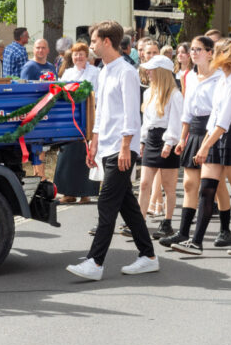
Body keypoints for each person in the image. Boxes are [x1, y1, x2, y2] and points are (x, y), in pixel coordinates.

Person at [66, 21, 159, 281]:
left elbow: (131, 114)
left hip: (121, 147)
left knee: (106, 203)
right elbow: (102, 111)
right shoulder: (103, 71)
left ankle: (95, 262)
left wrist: (126, 147)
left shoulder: (126, 72)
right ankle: (148, 256)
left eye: (94, 41)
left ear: (107, 41)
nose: (91, 45)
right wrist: (94, 141)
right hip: (106, 145)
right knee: (127, 204)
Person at [172, 39, 231, 255]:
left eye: (217, 52)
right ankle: (196, 242)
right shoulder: (224, 79)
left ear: (223, 56)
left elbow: (224, 121)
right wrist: (205, 143)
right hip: (216, 137)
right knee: (207, 189)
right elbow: (214, 118)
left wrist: (204, 147)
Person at [158, 36, 223, 248]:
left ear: (210, 53)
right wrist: (182, 137)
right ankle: (183, 233)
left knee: (215, 186)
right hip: (194, 128)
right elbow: (187, 111)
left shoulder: (220, 76)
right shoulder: (190, 76)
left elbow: (219, 111)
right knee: (189, 184)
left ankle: (225, 229)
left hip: (213, 129)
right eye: (192, 49)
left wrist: (208, 138)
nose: (193, 53)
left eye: (198, 49)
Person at [137, 55, 183, 240]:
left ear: (161, 72)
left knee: (168, 186)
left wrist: (170, 142)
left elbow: (176, 121)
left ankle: (167, 222)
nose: (148, 72)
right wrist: (142, 140)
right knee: (144, 183)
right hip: (151, 138)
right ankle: (139, 221)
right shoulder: (148, 93)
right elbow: (146, 121)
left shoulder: (175, 94)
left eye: (151, 69)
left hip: (166, 139)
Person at [54, 42, 101, 204]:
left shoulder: (95, 72)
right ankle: (69, 193)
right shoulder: (67, 73)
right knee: (68, 153)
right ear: (72, 57)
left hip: (88, 117)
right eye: (76, 54)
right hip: (70, 118)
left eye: (81, 54)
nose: (79, 57)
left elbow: (98, 94)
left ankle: (85, 193)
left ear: (87, 56)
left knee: (85, 152)